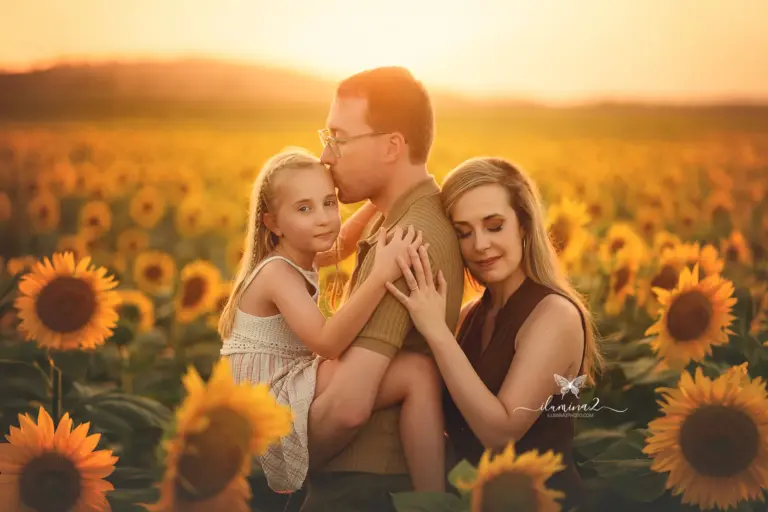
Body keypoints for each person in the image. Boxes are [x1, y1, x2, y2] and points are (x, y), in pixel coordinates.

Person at [218, 147, 447, 495]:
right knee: (408, 372)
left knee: (418, 372)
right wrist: (380, 273)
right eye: (304, 208)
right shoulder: (276, 272)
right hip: (268, 409)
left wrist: (382, 194)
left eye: (329, 202)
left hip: (288, 384)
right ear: (272, 223)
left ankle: (433, 501)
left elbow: (344, 243)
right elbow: (327, 342)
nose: (324, 217)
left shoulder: (299, 250)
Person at [385, 157, 603, 511]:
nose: (480, 245)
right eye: (464, 232)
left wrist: (436, 331)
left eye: (494, 226)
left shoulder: (554, 315)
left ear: (523, 225)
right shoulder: (470, 315)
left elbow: (500, 435)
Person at [297, 67, 466, 511]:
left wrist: (280, 464)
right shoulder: (391, 215)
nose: (325, 157)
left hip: (362, 488)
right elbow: (321, 252)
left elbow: (348, 407)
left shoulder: (411, 240)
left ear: (393, 146)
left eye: (339, 137)